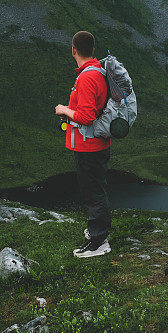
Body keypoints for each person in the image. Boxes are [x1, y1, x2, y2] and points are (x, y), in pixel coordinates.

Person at [55, 31, 112, 258]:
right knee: (95, 188)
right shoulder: (97, 71)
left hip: (89, 145)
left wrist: (64, 110)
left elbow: (87, 116)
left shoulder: (88, 77)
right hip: (95, 143)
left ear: (74, 50)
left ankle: (99, 242)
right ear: (93, 50)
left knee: (93, 193)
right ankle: (97, 231)